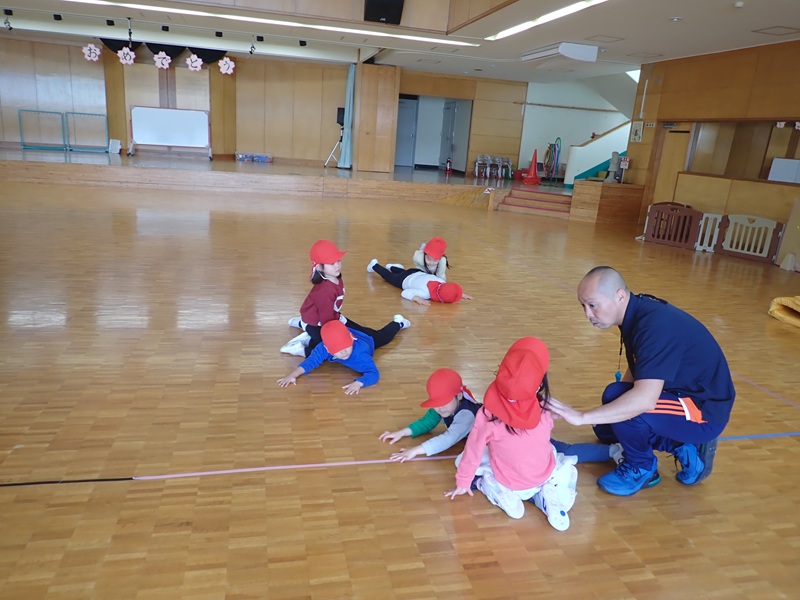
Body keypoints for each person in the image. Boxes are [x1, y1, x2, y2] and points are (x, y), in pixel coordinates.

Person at [548, 266, 736, 497]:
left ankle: (644, 466)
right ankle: (665, 441)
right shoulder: (637, 312)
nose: (587, 314)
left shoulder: (654, 326)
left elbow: (643, 401)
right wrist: (614, 412)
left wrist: (582, 417)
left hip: (703, 411)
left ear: (619, 296)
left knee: (632, 412)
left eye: (592, 305)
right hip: (677, 394)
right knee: (615, 396)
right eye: (583, 306)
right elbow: (640, 368)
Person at [444, 337, 578, 531]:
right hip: (545, 475)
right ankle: (544, 495)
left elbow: (473, 450)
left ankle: (495, 489)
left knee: (467, 461)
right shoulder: (545, 407)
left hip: (509, 481)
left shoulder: (487, 415)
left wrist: (463, 482)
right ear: (539, 385)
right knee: (558, 460)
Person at [283, 239, 395, 357]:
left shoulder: (334, 277)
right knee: (336, 351)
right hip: (320, 323)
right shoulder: (325, 291)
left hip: (331, 318)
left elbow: (329, 314)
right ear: (319, 267)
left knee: (370, 338)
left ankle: (398, 323)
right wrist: (340, 336)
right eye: (332, 263)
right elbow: (327, 323)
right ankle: (301, 347)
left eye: (338, 261)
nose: (337, 265)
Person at [277, 318, 409, 395]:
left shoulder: (360, 355)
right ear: (327, 348)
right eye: (338, 350)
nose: (344, 352)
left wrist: (360, 383)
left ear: (351, 339)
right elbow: (311, 361)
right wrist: (293, 375)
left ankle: (399, 323)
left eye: (346, 347)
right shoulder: (324, 347)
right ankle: (303, 323)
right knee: (320, 335)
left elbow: (373, 373)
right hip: (344, 332)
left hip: (367, 338)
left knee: (384, 336)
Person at [379, 368, 480, 462]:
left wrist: (414, 451)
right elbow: (426, 422)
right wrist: (402, 432)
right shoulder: (443, 408)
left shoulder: (466, 415)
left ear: (459, 396)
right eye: (436, 403)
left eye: (444, 402)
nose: (440, 408)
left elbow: (448, 439)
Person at [366, 259, 473, 305]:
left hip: (416, 272)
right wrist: (416, 298)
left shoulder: (441, 282)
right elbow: (405, 293)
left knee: (403, 271)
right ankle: (374, 265)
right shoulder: (425, 293)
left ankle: (392, 267)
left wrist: (461, 294)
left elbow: (448, 289)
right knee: (389, 277)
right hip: (403, 280)